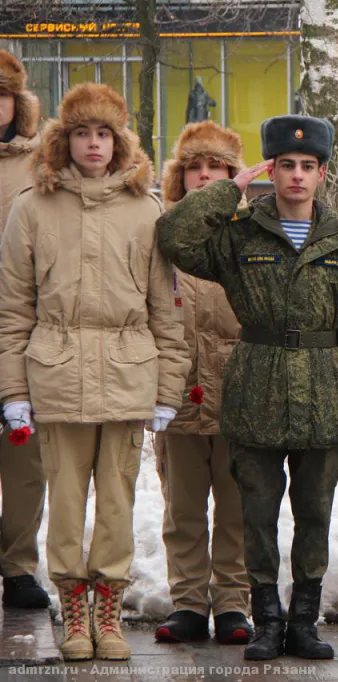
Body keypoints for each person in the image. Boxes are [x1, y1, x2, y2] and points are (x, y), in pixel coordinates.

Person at [157, 115, 338, 661]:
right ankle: (265, 623)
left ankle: (303, 622)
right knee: (255, 516)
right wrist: (228, 189)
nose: (297, 176)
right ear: (271, 172)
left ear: (322, 174)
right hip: (255, 387)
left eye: (307, 166)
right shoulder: (239, 235)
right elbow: (174, 237)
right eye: (286, 166)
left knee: (315, 514)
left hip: (322, 393)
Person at [0, 83, 190, 660]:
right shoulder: (32, 207)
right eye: (82, 132)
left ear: (119, 141)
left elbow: (166, 309)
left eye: (103, 133)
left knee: (116, 502)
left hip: (128, 374)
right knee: (64, 503)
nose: (93, 144)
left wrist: (168, 388)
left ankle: (108, 612)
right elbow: (14, 308)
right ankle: (73, 614)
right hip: (56, 375)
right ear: (64, 139)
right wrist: (13, 391)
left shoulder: (145, 209)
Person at [154, 121, 252, 645]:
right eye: (196, 167)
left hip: (238, 391)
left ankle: (233, 603)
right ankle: (188, 602)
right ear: (181, 175)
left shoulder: (250, 231)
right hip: (179, 388)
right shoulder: (162, 231)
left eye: (217, 167)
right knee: (183, 508)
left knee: (237, 507)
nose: (206, 175)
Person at [0, 48, 50, 611]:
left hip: (26, 326)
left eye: (2, 95)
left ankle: (18, 567)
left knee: (24, 458)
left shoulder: (42, 163)